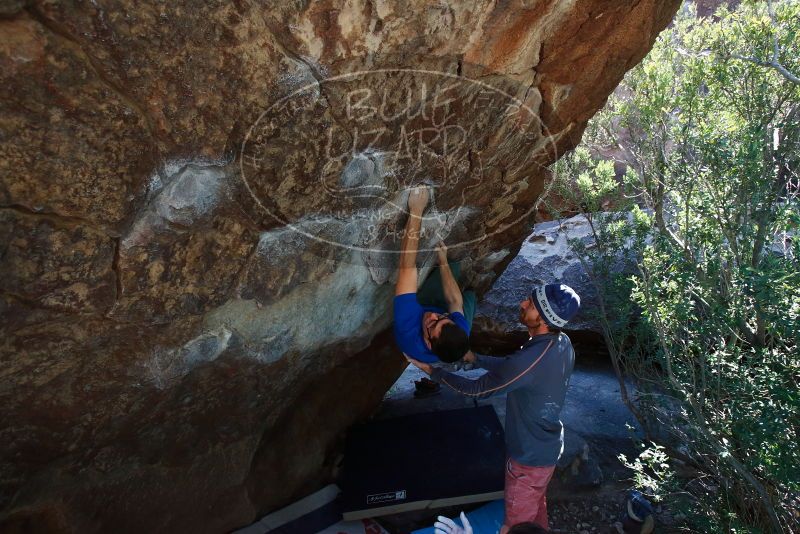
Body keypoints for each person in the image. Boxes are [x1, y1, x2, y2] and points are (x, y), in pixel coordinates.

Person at [406, 282, 580, 533]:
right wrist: (476, 359)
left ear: (541, 319)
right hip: (547, 450)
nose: (522, 304)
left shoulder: (530, 360)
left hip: (527, 462)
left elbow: (475, 390)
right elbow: (516, 368)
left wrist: (432, 371)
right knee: (536, 513)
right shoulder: (561, 342)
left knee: (515, 527)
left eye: (530, 305)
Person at [393, 187, 475, 366]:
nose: (432, 316)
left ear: (429, 343)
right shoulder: (458, 329)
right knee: (468, 297)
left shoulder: (408, 328)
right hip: (450, 323)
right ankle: (472, 293)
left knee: (452, 294)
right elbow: (454, 301)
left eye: (432, 325)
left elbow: (407, 268)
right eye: (442, 318)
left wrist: (416, 210)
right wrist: (443, 262)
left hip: (418, 313)